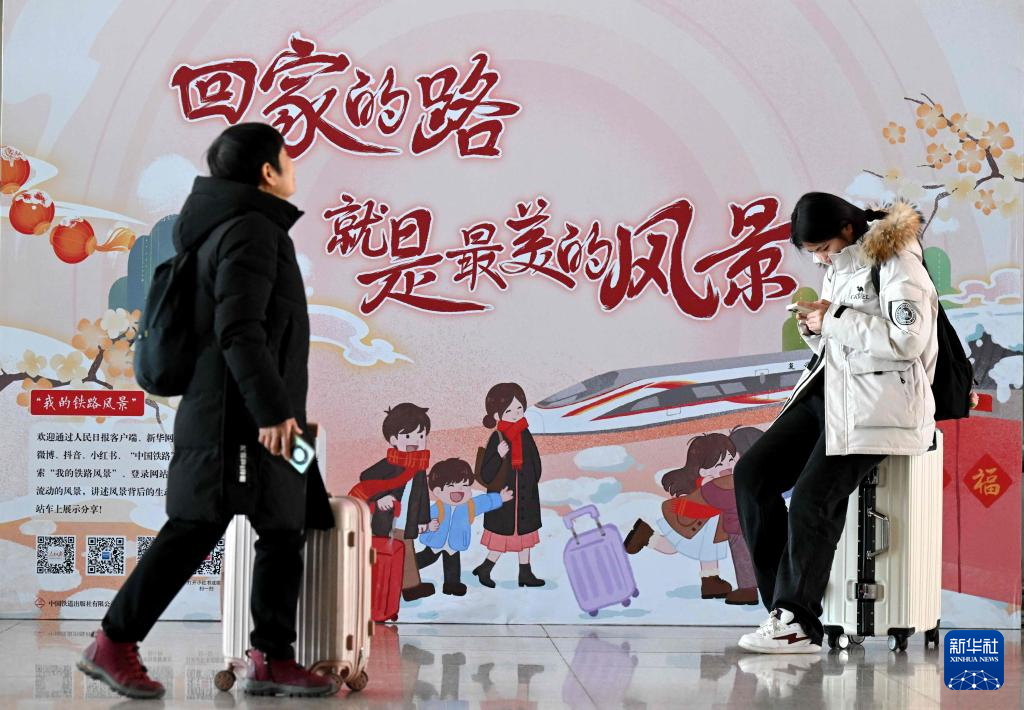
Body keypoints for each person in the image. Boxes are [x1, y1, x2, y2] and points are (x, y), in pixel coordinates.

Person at [77, 123, 336, 698]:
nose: (293, 165)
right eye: (287, 156)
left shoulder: (236, 227)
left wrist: (281, 414)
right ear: (267, 171)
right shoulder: (251, 229)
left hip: (269, 412)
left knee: (287, 522)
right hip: (241, 417)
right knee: (195, 526)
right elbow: (239, 330)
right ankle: (113, 641)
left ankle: (272, 658)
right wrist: (273, 415)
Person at [734, 194, 938, 654]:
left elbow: (908, 341)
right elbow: (842, 340)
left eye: (822, 248)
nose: (819, 259)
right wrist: (815, 329)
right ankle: (783, 611)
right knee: (751, 476)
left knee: (812, 498)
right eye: (812, 253)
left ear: (847, 229)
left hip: (878, 405)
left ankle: (796, 621)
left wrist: (835, 318)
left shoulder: (899, 262)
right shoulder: (841, 265)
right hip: (831, 392)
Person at [624, 434, 737, 601]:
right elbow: (717, 503)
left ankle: (645, 535)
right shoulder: (710, 483)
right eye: (720, 464)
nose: (728, 466)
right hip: (698, 525)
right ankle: (710, 581)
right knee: (704, 551)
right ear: (703, 470)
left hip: (701, 525)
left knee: (677, 548)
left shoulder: (721, 481)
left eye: (731, 460)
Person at [354, 402, 437, 602]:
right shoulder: (390, 463)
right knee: (383, 554)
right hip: (387, 521)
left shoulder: (419, 466)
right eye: (407, 436)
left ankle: (411, 587)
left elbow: (422, 495)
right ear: (393, 440)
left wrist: (423, 520)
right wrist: (380, 497)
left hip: (407, 521)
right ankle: (378, 587)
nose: (415, 441)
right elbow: (366, 478)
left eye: (421, 436)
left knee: (407, 551)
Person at [473, 383, 546, 588]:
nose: (515, 414)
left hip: (525, 497)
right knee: (501, 539)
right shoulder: (497, 438)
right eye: (509, 411)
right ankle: (485, 568)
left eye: (519, 408)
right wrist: (498, 455)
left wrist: (531, 484)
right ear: (497, 415)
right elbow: (486, 474)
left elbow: (535, 462)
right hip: (504, 499)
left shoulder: (525, 433)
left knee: (525, 538)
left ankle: (525, 574)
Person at [416, 458, 513, 595]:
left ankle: (451, 585)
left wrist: (500, 498)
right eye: (452, 486)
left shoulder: (469, 506)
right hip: (435, 541)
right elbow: (423, 520)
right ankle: (407, 567)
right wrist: (429, 526)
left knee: (452, 563)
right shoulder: (437, 508)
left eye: (465, 485)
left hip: (455, 543)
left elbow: (484, 502)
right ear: (438, 491)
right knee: (427, 558)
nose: (460, 489)